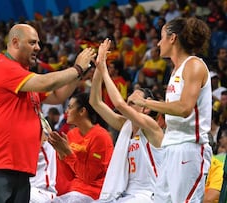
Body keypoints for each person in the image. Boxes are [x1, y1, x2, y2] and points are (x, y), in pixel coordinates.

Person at [0, 23, 96, 202]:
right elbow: (47, 83)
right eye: (32, 42)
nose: (38, 47)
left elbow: (59, 95)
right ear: (15, 42)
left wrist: (81, 72)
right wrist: (77, 68)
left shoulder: (24, 78)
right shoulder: (2, 67)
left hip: (18, 167)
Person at [129, 17, 212, 202]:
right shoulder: (176, 70)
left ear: (172, 38)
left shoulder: (194, 65)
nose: (158, 43)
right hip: (171, 146)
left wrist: (145, 102)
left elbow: (184, 108)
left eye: (161, 37)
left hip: (189, 148)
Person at [89, 38, 164, 203]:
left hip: (150, 195)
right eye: (128, 102)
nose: (127, 106)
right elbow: (95, 102)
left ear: (146, 108)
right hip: (126, 194)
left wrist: (104, 69)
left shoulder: (151, 127)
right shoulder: (127, 127)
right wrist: (98, 68)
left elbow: (119, 104)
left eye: (133, 103)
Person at [48, 92, 114, 202]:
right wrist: (61, 154)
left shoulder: (101, 137)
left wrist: (68, 153)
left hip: (95, 194)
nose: (66, 112)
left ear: (82, 111)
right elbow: (69, 176)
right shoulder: (72, 134)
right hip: (74, 191)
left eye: (70, 107)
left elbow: (89, 177)